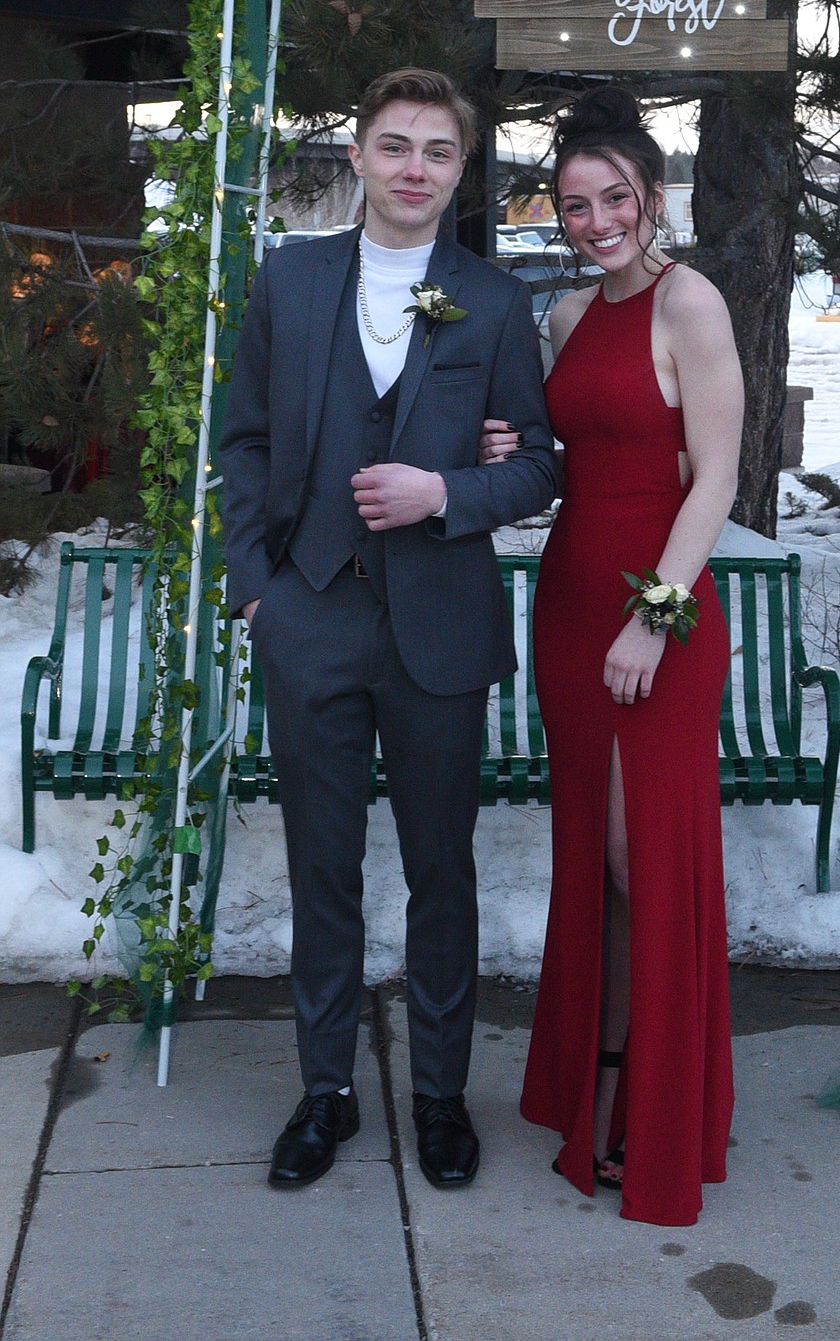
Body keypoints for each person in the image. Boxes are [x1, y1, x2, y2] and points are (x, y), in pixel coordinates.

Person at [220, 67, 557, 1193]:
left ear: (462, 172)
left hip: (439, 629)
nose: (415, 168)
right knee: (320, 867)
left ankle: (440, 1096)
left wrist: (449, 495)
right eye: (396, 145)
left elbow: (540, 468)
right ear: (358, 155)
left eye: (438, 152)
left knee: (440, 871)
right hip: (308, 614)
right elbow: (247, 442)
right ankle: (326, 1094)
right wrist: (258, 590)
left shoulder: (496, 304)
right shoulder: (293, 281)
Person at [481, 85, 743, 1226]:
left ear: (652, 195)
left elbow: (716, 480)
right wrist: (508, 446)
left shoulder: (694, 305)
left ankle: (663, 1109)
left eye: (614, 198)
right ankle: (600, 1089)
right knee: (594, 857)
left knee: (650, 861)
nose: (595, 221)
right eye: (575, 205)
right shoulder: (565, 317)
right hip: (571, 605)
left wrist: (657, 615)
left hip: (659, 616)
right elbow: (567, 467)